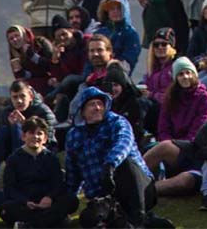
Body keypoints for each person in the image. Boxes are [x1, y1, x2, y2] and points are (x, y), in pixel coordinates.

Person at [66, 87, 167, 228]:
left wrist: (110, 166)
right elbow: (73, 171)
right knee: (87, 220)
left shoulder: (118, 122)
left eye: (100, 104)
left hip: (138, 187)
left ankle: (140, 219)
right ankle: (136, 222)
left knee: (126, 164)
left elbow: (123, 143)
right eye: (91, 104)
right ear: (82, 111)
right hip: (103, 195)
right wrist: (69, 199)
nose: (97, 108)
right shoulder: (73, 135)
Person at [0, 116, 79, 228]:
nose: (35, 137)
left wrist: (49, 197)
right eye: (31, 133)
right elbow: (10, 188)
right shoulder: (13, 159)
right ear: (23, 136)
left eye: (39, 133)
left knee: (71, 201)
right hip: (25, 203)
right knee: (6, 209)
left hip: (48, 203)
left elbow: (58, 184)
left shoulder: (51, 158)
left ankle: (30, 225)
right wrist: (25, 201)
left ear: (45, 138)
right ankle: (50, 221)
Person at [0, 79, 57, 183]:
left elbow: (49, 139)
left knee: (17, 129)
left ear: (30, 96)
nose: (19, 101)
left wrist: (25, 126)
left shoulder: (43, 111)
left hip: (37, 152)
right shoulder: (6, 112)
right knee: (4, 131)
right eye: (15, 97)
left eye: (22, 96)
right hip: (9, 153)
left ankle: (20, 175)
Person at [156, 57, 207, 143]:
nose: (185, 77)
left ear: (194, 75)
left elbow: (200, 128)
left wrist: (178, 145)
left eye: (188, 73)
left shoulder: (205, 98)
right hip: (169, 145)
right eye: (181, 74)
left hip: (193, 145)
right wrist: (168, 142)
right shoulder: (170, 97)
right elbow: (163, 127)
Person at [95, 0, 141, 74]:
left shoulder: (131, 34)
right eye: (112, 9)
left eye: (119, 8)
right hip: (95, 75)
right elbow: (88, 61)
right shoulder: (99, 32)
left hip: (118, 76)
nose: (115, 11)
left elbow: (129, 61)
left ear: (125, 11)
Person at [6, 24, 54, 97]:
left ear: (23, 35)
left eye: (17, 35)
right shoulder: (14, 54)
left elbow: (51, 65)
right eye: (11, 39)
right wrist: (20, 72)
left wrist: (33, 56)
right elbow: (28, 76)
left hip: (50, 80)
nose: (14, 40)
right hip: (33, 85)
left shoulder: (40, 42)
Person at [142, 27, 176, 104]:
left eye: (164, 44)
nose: (160, 47)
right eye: (156, 45)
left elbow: (173, 98)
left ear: (171, 47)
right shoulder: (152, 68)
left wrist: (151, 95)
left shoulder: (175, 67)